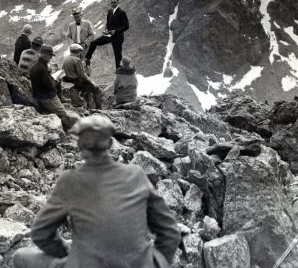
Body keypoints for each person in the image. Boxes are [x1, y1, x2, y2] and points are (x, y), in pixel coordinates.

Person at [12, 115, 180, 268]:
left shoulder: (70, 181)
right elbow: (170, 231)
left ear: (79, 145)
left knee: (21, 256)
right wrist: (156, 263)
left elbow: (41, 233)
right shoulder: (136, 174)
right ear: (109, 143)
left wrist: (69, 255)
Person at [30, 45, 71, 129]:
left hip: (38, 97)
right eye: (50, 56)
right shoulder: (42, 68)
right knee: (64, 116)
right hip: (48, 98)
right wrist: (56, 80)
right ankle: (70, 133)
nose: (50, 58)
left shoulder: (35, 66)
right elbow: (50, 87)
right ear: (45, 55)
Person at [85, 0, 129, 69]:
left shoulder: (122, 13)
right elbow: (108, 23)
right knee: (94, 42)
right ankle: (87, 59)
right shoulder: (109, 11)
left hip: (118, 38)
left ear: (118, 2)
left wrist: (115, 31)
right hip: (109, 35)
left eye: (114, 2)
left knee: (118, 56)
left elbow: (126, 26)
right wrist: (106, 29)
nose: (113, 4)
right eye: (111, 2)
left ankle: (119, 72)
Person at [63, 43, 102, 109]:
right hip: (76, 82)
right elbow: (82, 75)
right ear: (78, 52)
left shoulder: (66, 59)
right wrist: (91, 82)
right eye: (80, 52)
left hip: (67, 79)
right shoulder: (77, 60)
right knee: (97, 89)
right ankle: (99, 109)